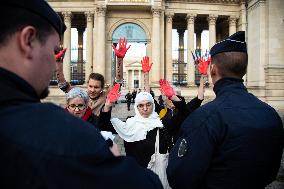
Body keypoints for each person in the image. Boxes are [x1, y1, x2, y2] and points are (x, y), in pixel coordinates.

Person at [0, 1, 163, 188]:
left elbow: (115, 85)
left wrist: (119, 61)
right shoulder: (63, 132)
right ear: (28, 40)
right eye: (54, 52)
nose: (55, 64)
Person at [167, 31, 284, 189]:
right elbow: (272, 172)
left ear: (213, 69)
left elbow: (179, 177)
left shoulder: (205, 118)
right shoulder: (271, 115)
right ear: (243, 70)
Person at [65, 87, 119, 156]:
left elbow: (106, 127)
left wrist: (107, 106)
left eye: (80, 106)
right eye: (72, 106)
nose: (77, 110)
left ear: (87, 105)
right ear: (67, 106)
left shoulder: (96, 122)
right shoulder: (59, 122)